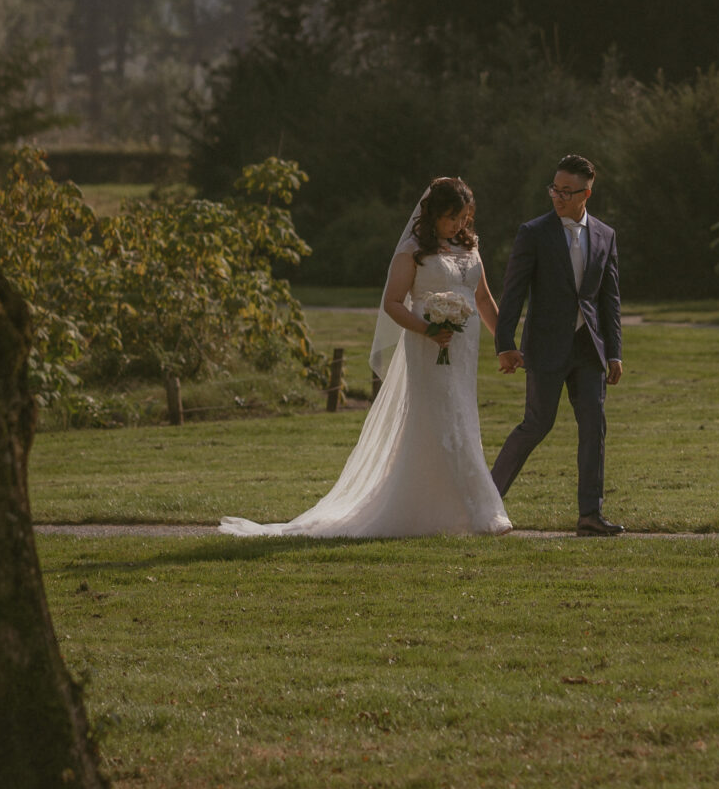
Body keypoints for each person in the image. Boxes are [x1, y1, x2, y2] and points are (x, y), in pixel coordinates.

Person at [219, 175, 513, 539]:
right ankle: (478, 511)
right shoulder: (412, 252)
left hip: (463, 350)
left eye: (464, 217)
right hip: (427, 346)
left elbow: (482, 300)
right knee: (439, 419)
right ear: (434, 214)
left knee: (462, 417)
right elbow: (392, 302)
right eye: (451, 217)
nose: (458, 225)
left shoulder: (470, 247)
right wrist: (427, 329)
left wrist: (505, 343)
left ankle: (458, 510)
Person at [491, 154, 625, 537]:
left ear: (587, 193)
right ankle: (486, 500)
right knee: (536, 424)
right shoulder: (533, 233)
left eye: (567, 191)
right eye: (555, 189)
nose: (558, 197)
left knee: (593, 426)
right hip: (546, 347)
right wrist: (505, 343)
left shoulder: (605, 235)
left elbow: (609, 300)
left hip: (589, 349)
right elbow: (513, 292)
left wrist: (614, 351)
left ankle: (590, 515)